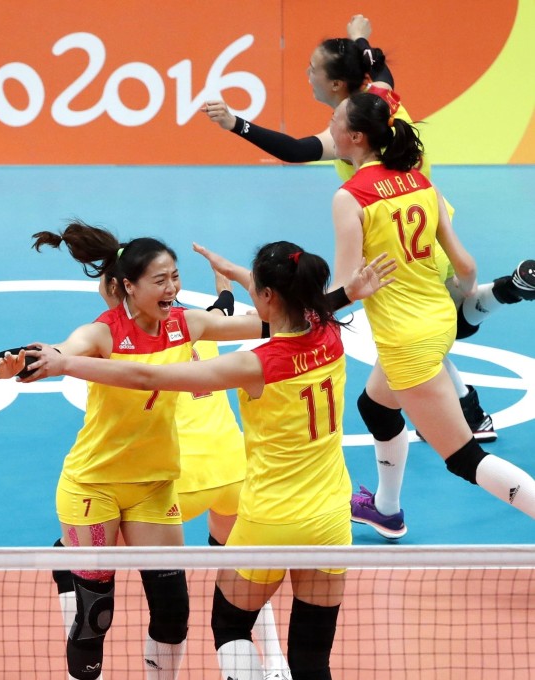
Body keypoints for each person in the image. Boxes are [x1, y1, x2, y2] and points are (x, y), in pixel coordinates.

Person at [0, 220, 388, 680]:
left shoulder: (189, 324)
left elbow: (280, 323)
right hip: (94, 483)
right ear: (128, 285)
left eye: (175, 277)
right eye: (160, 280)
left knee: (173, 614)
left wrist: (343, 293)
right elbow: (47, 352)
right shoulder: (99, 334)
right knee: (95, 616)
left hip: (154, 484)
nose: (172, 289)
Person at [20, 241, 357, 680]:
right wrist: (352, 292)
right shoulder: (330, 332)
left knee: (231, 626)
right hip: (332, 518)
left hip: (269, 516)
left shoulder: (256, 363)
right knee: (312, 659)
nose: (172, 287)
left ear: (270, 296)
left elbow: (145, 375)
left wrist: (65, 365)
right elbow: (290, 308)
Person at [202, 14, 535, 443]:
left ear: (338, 87)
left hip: (394, 247)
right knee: (436, 327)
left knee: (418, 339)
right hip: (430, 228)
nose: (307, 75)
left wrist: (236, 124)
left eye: (313, 69)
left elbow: (297, 149)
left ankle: (473, 401)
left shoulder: (349, 136)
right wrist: (362, 41)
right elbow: (381, 70)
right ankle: (496, 323)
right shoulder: (381, 103)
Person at [327, 91, 535, 540]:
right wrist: (456, 297)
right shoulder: (421, 182)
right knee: (375, 408)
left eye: (335, 119)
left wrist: (303, 311)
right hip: (439, 323)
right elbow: (466, 268)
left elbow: (344, 290)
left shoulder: (350, 197)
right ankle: (386, 509)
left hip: (407, 343)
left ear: (355, 137)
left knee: (465, 459)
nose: (329, 125)